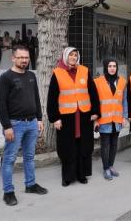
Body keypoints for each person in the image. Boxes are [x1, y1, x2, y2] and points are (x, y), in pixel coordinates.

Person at [0, 45, 48, 206]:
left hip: (31, 123)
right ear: (13, 58)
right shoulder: (6, 78)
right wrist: (6, 126)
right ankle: (8, 192)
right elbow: (0, 105)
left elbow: (36, 99)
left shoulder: (31, 76)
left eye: (26, 57)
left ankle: (30, 185)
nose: (24, 60)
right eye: (20, 57)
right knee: (9, 159)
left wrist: (39, 119)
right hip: (14, 124)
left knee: (30, 157)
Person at [47, 47, 100, 186]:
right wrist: (55, 118)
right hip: (66, 118)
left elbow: (93, 92)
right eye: (70, 55)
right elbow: (52, 97)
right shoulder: (57, 73)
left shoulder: (84, 71)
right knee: (67, 147)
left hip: (83, 116)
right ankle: (67, 177)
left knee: (83, 146)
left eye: (75, 55)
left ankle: (82, 175)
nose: (73, 57)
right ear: (65, 56)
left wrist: (95, 111)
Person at [93, 58, 128, 180]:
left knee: (114, 144)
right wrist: (95, 120)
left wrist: (124, 117)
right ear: (105, 68)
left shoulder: (122, 82)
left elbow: (124, 101)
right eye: (110, 66)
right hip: (104, 120)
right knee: (105, 145)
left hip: (117, 120)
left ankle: (111, 165)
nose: (112, 68)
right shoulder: (97, 82)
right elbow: (95, 102)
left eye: (114, 66)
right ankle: (106, 168)